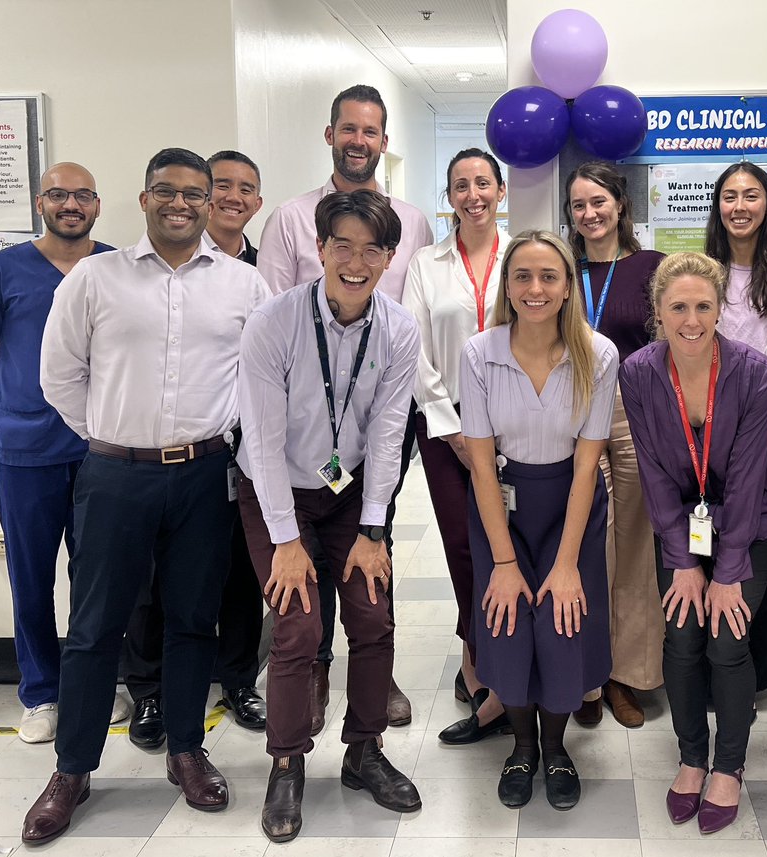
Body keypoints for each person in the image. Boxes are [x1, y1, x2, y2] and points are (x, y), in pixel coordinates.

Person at [24, 148, 270, 845]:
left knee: (195, 619)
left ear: (209, 201)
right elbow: (59, 376)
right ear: (144, 198)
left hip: (204, 473)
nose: (182, 203)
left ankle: (187, 749)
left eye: (196, 193)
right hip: (114, 474)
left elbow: (257, 382)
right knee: (96, 625)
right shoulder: (96, 279)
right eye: (168, 191)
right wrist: (113, 437)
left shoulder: (243, 287)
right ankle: (72, 768)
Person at [237, 190, 422, 842]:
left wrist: (374, 531)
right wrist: (287, 540)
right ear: (318, 249)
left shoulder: (399, 327)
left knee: (373, 613)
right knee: (297, 622)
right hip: (276, 489)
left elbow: (389, 432)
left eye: (372, 248)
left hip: (348, 494)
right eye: (341, 244)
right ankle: (287, 761)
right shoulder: (274, 322)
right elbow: (259, 440)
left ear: (389, 257)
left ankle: (363, 750)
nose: (355, 259)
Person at [257, 84, 434, 729]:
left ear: (384, 143)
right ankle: (310, 692)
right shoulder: (289, 221)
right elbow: (272, 318)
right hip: (295, 427)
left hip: (369, 426)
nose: (359, 140)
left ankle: (369, 705)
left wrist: (376, 523)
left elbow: (406, 320)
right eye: (348, 129)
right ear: (330, 135)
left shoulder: (411, 222)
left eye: (371, 131)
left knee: (369, 570)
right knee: (301, 601)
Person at [0, 162, 128, 743]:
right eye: (58, 194)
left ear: (97, 205)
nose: (69, 204)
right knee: (29, 575)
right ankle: (40, 694)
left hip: (103, 446)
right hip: (27, 451)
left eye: (81, 195)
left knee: (99, 573)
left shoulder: (119, 267)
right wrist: (18, 405)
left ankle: (98, 683)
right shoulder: (2, 271)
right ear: (39, 201)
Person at [621, 252, 767, 834]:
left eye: (704, 306)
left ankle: (729, 767)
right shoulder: (638, 371)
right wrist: (684, 562)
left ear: (720, 308)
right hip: (681, 528)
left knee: (726, 643)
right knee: (682, 638)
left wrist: (726, 570)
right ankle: (692, 758)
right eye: (678, 307)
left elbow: (745, 477)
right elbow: (654, 471)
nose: (692, 320)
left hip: (749, 525)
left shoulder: (755, 371)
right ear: (659, 311)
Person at [460, 230, 617, 811]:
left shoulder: (598, 355)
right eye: (522, 276)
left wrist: (569, 561)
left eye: (549, 276)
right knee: (507, 622)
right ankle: (521, 747)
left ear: (568, 287)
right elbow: (479, 465)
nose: (535, 288)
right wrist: (503, 561)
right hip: (501, 507)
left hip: (570, 509)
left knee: (561, 623)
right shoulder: (480, 352)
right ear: (507, 286)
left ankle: (556, 747)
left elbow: (587, 465)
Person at [123, 149, 270, 745]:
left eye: (246, 189)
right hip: (152, 454)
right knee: (150, 578)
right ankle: (150, 693)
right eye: (225, 186)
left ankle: (237, 679)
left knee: (239, 571)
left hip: (238, 452)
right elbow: (67, 377)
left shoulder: (260, 274)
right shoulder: (131, 271)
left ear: (256, 202)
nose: (234, 198)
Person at [403, 148, 513, 745]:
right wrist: (452, 429)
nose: (473, 194)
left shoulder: (520, 255)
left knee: (511, 542)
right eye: (460, 185)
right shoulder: (426, 262)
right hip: (446, 427)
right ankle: (478, 656)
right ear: (449, 197)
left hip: (518, 425)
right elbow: (413, 347)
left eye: (483, 183)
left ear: (500, 190)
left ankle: (510, 655)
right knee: (462, 544)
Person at [561, 161, 665, 728]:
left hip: (633, 413)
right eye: (578, 205)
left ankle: (628, 677)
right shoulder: (559, 267)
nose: (589, 214)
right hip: (573, 411)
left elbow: (671, 344)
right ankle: (587, 674)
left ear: (620, 205)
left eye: (598, 201)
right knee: (584, 547)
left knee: (633, 549)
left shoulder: (651, 268)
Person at [704, 161, 767, 698]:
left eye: (751, 195)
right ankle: (706, 668)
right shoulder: (704, 269)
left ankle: (755, 675)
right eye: (729, 196)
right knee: (711, 544)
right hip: (709, 435)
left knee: (762, 548)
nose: (739, 206)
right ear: (717, 206)